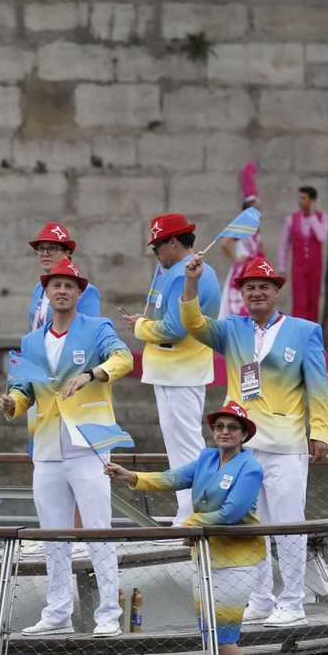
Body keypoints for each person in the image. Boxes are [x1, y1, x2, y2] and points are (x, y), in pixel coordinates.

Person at [104, 400, 275, 655]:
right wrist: (132, 476)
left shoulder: (250, 468)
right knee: (213, 636)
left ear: (244, 435)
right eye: (219, 426)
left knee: (223, 637)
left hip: (237, 560)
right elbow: (173, 478)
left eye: (232, 428)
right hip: (205, 556)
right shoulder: (206, 458)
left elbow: (231, 513)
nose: (225, 432)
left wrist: (191, 524)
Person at [179, 253, 328, 627]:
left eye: (264, 286)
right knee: (249, 524)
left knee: (288, 524)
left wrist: (319, 432)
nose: (257, 293)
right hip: (242, 446)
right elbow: (193, 323)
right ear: (242, 294)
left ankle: (292, 601)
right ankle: (261, 598)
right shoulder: (232, 329)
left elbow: (319, 386)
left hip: (285, 443)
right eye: (250, 288)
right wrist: (191, 281)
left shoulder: (304, 331)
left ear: (276, 291)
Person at [0, 258, 131, 636]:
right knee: (53, 533)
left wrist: (92, 374)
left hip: (88, 444)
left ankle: (109, 613)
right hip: (46, 445)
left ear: (78, 293)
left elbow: (123, 358)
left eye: (69, 286)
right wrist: (12, 404)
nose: (62, 291)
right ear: (46, 293)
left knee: (98, 529)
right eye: (55, 285)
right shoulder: (30, 341)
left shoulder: (97, 327)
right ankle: (57, 612)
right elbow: (23, 388)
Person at [122, 212, 222, 525]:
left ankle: (193, 513)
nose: (156, 253)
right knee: (185, 445)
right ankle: (190, 510)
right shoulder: (199, 271)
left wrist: (141, 326)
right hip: (185, 369)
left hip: (178, 371)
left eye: (157, 246)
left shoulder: (183, 275)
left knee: (185, 448)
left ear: (173, 243)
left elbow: (173, 329)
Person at [26, 222, 100, 330]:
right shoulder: (39, 288)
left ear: (67, 253)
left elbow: (91, 330)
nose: (45, 254)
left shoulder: (86, 290)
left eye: (52, 248)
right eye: (41, 248)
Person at [278, 185, 328, 322]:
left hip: (315, 266)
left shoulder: (323, 218)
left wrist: (312, 216)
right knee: (299, 301)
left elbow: (322, 236)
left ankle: (312, 331)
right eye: (299, 198)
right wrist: (282, 267)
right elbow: (283, 244)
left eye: (303, 198)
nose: (299, 201)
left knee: (314, 300)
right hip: (298, 266)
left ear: (311, 200)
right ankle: (298, 331)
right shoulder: (291, 219)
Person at [219, 162, 264, 317]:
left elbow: (260, 246)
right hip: (242, 269)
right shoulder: (241, 225)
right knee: (238, 305)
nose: (259, 205)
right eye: (257, 202)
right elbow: (224, 243)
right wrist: (235, 259)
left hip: (255, 268)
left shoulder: (256, 226)